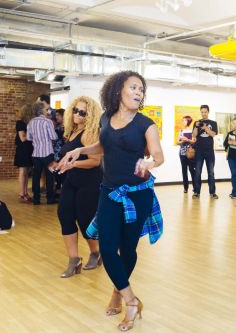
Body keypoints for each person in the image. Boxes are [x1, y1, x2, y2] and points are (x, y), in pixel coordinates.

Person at [59, 71, 164, 332]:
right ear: (118, 90)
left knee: (127, 250)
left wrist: (148, 162)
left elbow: (158, 155)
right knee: (107, 249)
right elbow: (104, 147)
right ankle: (131, 300)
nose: (139, 92)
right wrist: (79, 149)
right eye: (133, 87)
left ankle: (118, 291)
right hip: (108, 191)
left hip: (137, 194)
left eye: (141, 89)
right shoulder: (106, 119)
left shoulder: (145, 124)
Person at [51, 98, 103, 278]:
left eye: (82, 112)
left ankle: (96, 253)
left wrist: (73, 165)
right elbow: (70, 156)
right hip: (72, 181)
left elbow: (95, 162)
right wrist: (62, 163)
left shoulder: (90, 133)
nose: (77, 114)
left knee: (85, 220)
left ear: (90, 116)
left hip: (90, 182)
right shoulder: (72, 131)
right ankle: (74, 260)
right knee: (64, 215)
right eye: (75, 110)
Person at [27, 102, 58, 205]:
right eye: (46, 109)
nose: (47, 110)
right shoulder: (47, 122)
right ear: (42, 110)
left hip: (36, 154)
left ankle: (36, 199)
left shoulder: (31, 122)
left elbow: (28, 138)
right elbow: (54, 137)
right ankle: (50, 199)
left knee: (36, 177)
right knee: (49, 176)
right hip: (48, 153)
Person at [192, 105, 218, 199]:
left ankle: (212, 192)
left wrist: (205, 128)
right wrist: (196, 126)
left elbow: (213, 134)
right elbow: (194, 135)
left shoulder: (213, 123)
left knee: (211, 172)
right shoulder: (196, 122)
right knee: (198, 172)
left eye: (205, 112)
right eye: (202, 112)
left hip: (209, 151)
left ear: (208, 112)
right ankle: (196, 192)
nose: (203, 113)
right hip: (199, 151)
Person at [14, 104, 35, 202]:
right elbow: (22, 138)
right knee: (23, 172)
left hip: (29, 149)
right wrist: (33, 134)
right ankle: (21, 193)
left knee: (27, 173)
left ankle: (25, 192)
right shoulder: (20, 123)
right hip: (23, 150)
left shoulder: (29, 123)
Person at [223, 118, 236, 199]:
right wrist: (228, 142)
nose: (235, 125)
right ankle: (235, 193)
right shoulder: (229, 133)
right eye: (233, 123)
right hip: (230, 157)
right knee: (234, 174)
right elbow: (224, 144)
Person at [178, 115, 196, 193]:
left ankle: (195, 187)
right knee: (184, 171)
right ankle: (186, 187)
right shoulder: (181, 130)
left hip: (190, 152)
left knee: (192, 170)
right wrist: (182, 141)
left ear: (188, 121)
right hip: (182, 152)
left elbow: (194, 141)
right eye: (183, 120)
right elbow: (177, 141)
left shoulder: (192, 131)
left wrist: (187, 139)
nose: (183, 122)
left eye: (184, 120)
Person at [53, 108, 66, 195]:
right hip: (56, 152)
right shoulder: (56, 126)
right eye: (56, 115)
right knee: (57, 171)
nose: (56, 117)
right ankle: (58, 188)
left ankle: (61, 189)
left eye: (58, 115)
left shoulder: (66, 127)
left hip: (63, 152)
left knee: (62, 171)